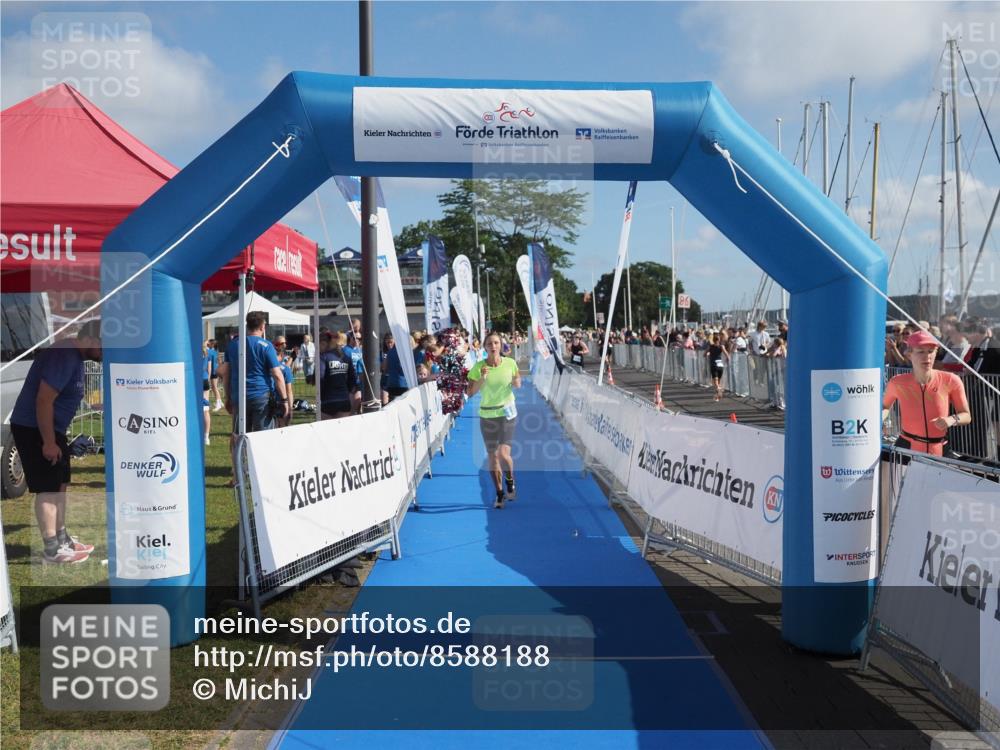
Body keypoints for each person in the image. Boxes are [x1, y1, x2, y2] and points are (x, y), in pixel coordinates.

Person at [10, 320, 102, 564]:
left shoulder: (76, 358)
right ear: (93, 339)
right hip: (35, 427)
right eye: (106, 347)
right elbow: (43, 400)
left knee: (60, 483)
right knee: (48, 487)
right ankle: (52, 549)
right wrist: (48, 442)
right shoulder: (63, 354)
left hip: (53, 428)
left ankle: (62, 539)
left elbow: (68, 394)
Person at [217, 312, 288, 484]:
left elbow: (226, 373)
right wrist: (285, 400)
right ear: (263, 327)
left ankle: (238, 476)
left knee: (237, 437)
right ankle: (262, 479)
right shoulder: (266, 346)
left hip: (239, 397)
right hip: (261, 397)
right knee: (263, 438)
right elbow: (277, 375)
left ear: (247, 325)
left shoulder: (234, 345)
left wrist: (227, 397)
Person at [882, 330, 971, 457]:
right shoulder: (897, 382)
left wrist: (951, 419)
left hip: (939, 448)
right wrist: (879, 419)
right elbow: (885, 407)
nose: (927, 357)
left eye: (931, 351)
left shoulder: (951, 380)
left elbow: (966, 415)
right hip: (906, 447)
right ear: (909, 354)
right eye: (921, 352)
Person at [466, 331, 522, 509]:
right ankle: (499, 493)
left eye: (496, 343)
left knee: (504, 454)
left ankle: (510, 479)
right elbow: (470, 392)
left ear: (501, 345)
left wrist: (516, 381)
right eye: (489, 343)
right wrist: (482, 378)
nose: (493, 346)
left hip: (506, 413)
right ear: (485, 347)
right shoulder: (478, 367)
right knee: (493, 456)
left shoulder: (510, 363)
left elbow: (517, 379)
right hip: (487, 415)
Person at [319, 331, 360, 419]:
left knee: (327, 431)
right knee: (342, 431)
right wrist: (346, 391)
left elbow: (320, 378)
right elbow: (352, 379)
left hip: (327, 400)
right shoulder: (346, 357)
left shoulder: (323, 357)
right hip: (344, 400)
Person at [380, 333, 410, 404]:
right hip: (401, 383)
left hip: (393, 383)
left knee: (392, 404)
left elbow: (385, 369)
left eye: (391, 342)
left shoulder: (390, 353)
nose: (389, 345)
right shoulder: (404, 352)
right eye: (387, 343)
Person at [706, 333, 729, 402]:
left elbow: (705, 354)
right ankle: (718, 397)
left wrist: (708, 354)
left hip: (713, 365)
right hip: (720, 365)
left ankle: (719, 390)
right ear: (719, 340)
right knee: (718, 381)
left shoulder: (710, 346)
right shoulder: (722, 346)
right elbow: (727, 355)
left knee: (715, 382)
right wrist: (727, 360)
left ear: (713, 340)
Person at [207, 338, 224, 411]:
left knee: (214, 387)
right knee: (214, 387)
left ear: (212, 344)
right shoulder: (215, 351)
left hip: (213, 371)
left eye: (209, 343)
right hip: (215, 371)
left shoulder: (210, 351)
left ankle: (218, 403)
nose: (207, 344)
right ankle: (220, 402)